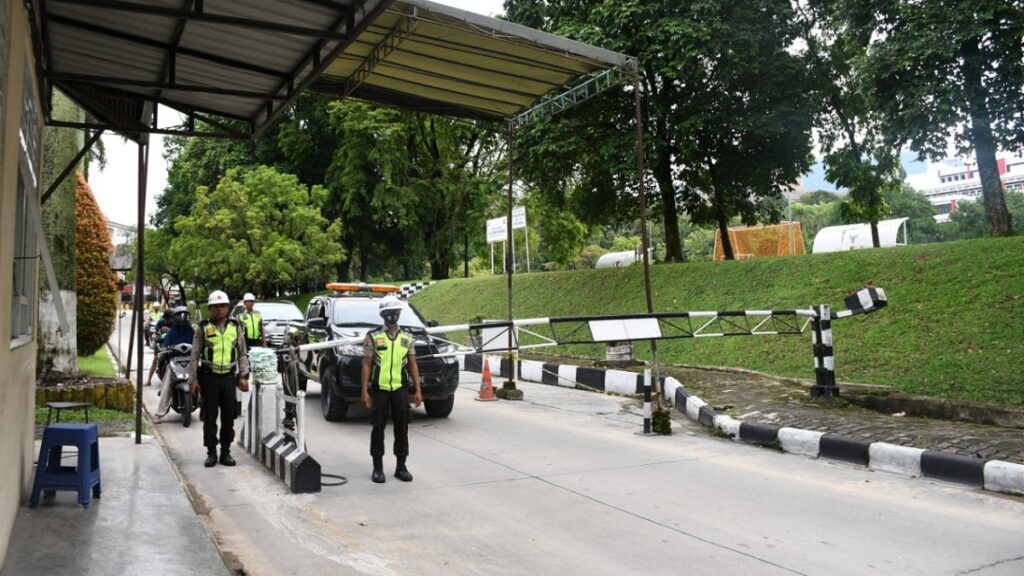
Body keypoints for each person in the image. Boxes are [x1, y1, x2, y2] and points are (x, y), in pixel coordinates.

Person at [360, 295, 422, 484]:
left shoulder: (407, 337)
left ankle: (401, 467)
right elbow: (367, 365)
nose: (392, 316)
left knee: (401, 428)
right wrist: (364, 391)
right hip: (379, 389)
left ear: (399, 314)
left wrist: (417, 389)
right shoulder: (373, 336)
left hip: (400, 389)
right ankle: (377, 467)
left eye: (395, 312)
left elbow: (412, 364)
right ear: (382, 314)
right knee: (378, 428)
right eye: (388, 313)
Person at [189, 290, 250, 467]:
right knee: (209, 417)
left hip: (229, 379)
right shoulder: (203, 327)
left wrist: (244, 376)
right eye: (215, 306)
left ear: (228, 307)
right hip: (208, 379)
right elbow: (194, 355)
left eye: (222, 306)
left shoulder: (235, 327)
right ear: (210, 308)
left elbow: (242, 353)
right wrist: (192, 380)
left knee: (229, 417)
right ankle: (211, 452)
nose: (219, 309)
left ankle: (225, 452)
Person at [152, 306, 196, 421]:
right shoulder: (172, 332)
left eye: (183, 315)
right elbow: (163, 347)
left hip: (191, 362)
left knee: (204, 381)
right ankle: (159, 412)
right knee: (167, 385)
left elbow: (198, 343)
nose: (181, 318)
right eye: (179, 315)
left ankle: (206, 410)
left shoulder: (191, 330)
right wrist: (163, 350)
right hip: (174, 362)